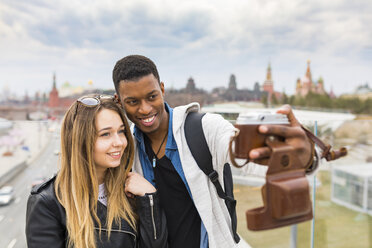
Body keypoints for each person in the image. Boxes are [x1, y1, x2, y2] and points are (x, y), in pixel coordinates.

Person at [112, 55, 317, 248]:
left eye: (151, 96)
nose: (145, 109)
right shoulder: (124, 148)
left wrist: (302, 157)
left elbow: (247, 157)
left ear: (162, 89)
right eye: (133, 102)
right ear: (119, 101)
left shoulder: (204, 128)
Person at [26, 95, 168, 248]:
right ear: (81, 140)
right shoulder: (49, 203)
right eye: (105, 134)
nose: (120, 142)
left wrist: (149, 198)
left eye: (121, 132)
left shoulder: (132, 190)